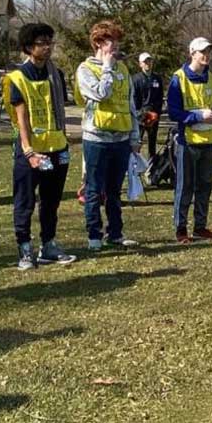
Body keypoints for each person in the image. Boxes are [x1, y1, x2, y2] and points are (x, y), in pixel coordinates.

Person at [2, 23, 77, 270]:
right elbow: (20, 118)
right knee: (25, 202)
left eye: (49, 42)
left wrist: (64, 145)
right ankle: (24, 248)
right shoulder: (16, 78)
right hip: (31, 151)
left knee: (51, 200)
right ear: (28, 48)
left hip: (56, 146)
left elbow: (60, 111)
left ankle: (49, 244)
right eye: (41, 43)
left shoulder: (56, 74)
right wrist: (29, 150)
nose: (47, 47)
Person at [76, 20, 142, 252]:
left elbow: (130, 103)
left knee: (114, 191)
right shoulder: (85, 69)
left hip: (121, 139)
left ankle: (115, 233)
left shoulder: (123, 69)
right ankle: (94, 235)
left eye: (117, 40)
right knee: (94, 189)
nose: (115, 45)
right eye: (110, 40)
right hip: (96, 139)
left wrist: (135, 137)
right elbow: (101, 94)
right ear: (98, 43)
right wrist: (106, 67)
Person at [167, 36, 212, 244]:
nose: (206, 55)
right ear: (192, 53)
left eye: (208, 51)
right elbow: (173, 112)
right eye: (202, 52)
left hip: (210, 141)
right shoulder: (179, 78)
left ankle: (200, 226)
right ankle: (181, 228)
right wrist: (197, 117)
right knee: (185, 186)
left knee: (205, 185)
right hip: (188, 142)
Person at [132, 52, 164, 157]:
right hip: (140, 116)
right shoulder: (135, 79)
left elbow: (160, 97)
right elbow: (133, 98)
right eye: (145, 62)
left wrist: (157, 112)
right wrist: (139, 114)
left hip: (154, 116)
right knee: (137, 142)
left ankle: (152, 167)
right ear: (140, 64)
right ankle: (134, 167)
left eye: (149, 61)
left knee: (152, 142)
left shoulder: (157, 79)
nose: (148, 64)